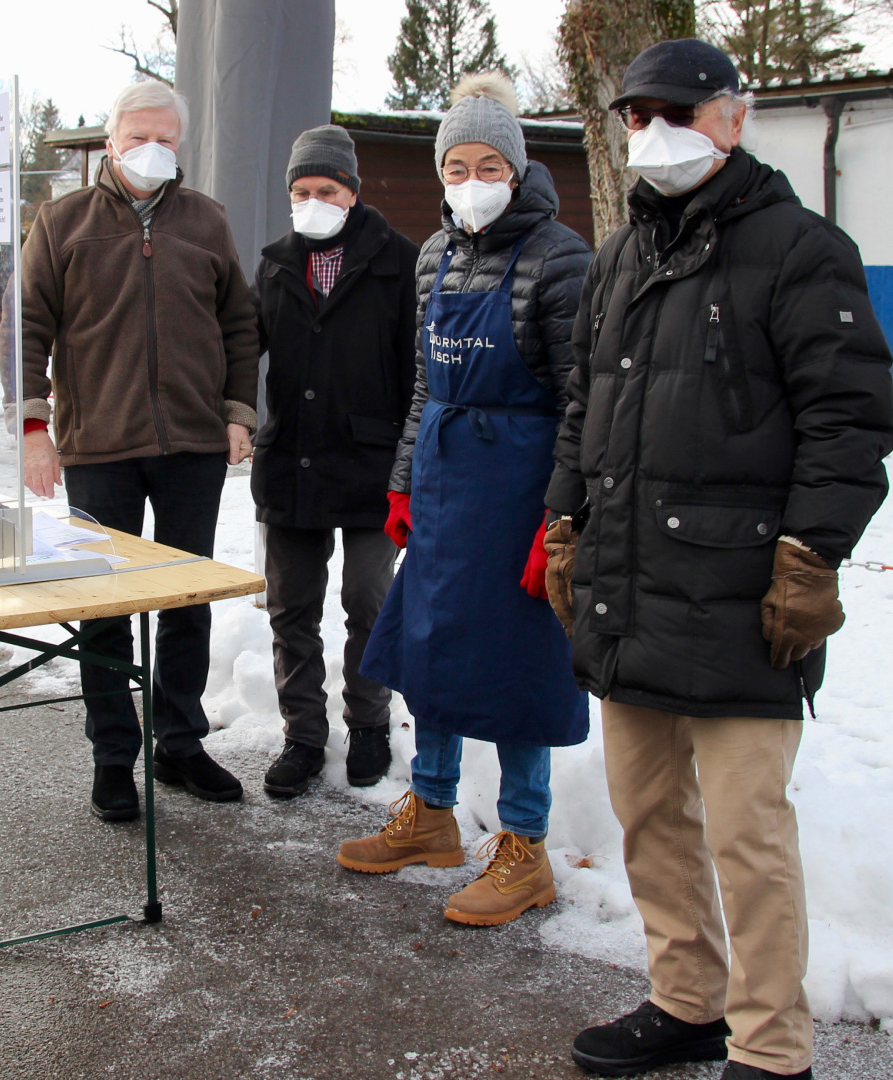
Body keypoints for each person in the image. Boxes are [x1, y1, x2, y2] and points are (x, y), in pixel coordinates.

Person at [545, 40, 893, 1080]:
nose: (655, 132)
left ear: (735, 120)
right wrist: (565, 521)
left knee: (747, 838)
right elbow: (584, 410)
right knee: (649, 815)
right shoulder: (615, 259)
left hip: (742, 595)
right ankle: (686, 999)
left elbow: (850, 419)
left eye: (680, 112)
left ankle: (772, 1044)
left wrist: (809, 559)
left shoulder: (800, 250)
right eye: (637, 114)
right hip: (626, 586)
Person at [342, 73, 594, 928]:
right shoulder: (433, 257)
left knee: (523, 671)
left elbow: (580, 401)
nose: (472, 181)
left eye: (490, 164)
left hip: (520, 488)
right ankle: (432, 814)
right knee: (432, 650)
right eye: (457, 166)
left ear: (517, 172)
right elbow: (424, 385)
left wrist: (559, 518)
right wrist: (405, 479)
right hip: (448, 483)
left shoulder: (564, 258)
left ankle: (525, 848)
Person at [16, 80, 260, 822]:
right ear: (111, 140)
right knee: (106, 607)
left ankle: (180, 743)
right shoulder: (62, 223)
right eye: (138, 136)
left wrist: (238, 412)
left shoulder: (207, 222)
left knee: (187, 601)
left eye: (166, 138)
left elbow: (240, 327)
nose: (152, 150)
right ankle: (113, 755)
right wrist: (34, 428)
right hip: (99, 444)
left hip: (190, 442)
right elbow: (26, 326)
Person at [251, 125, 419, 798]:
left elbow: (417, 371)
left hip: (371, 464)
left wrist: (411, 461)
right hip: (290, 461)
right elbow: (241, 348)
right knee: (292, 607)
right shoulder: (273, 264)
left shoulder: (397, 262)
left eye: (325, 189)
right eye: (301, 191)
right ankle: (303, 735)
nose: (312, 200)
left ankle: (370, 723)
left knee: (368, 602)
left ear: (350, 191)